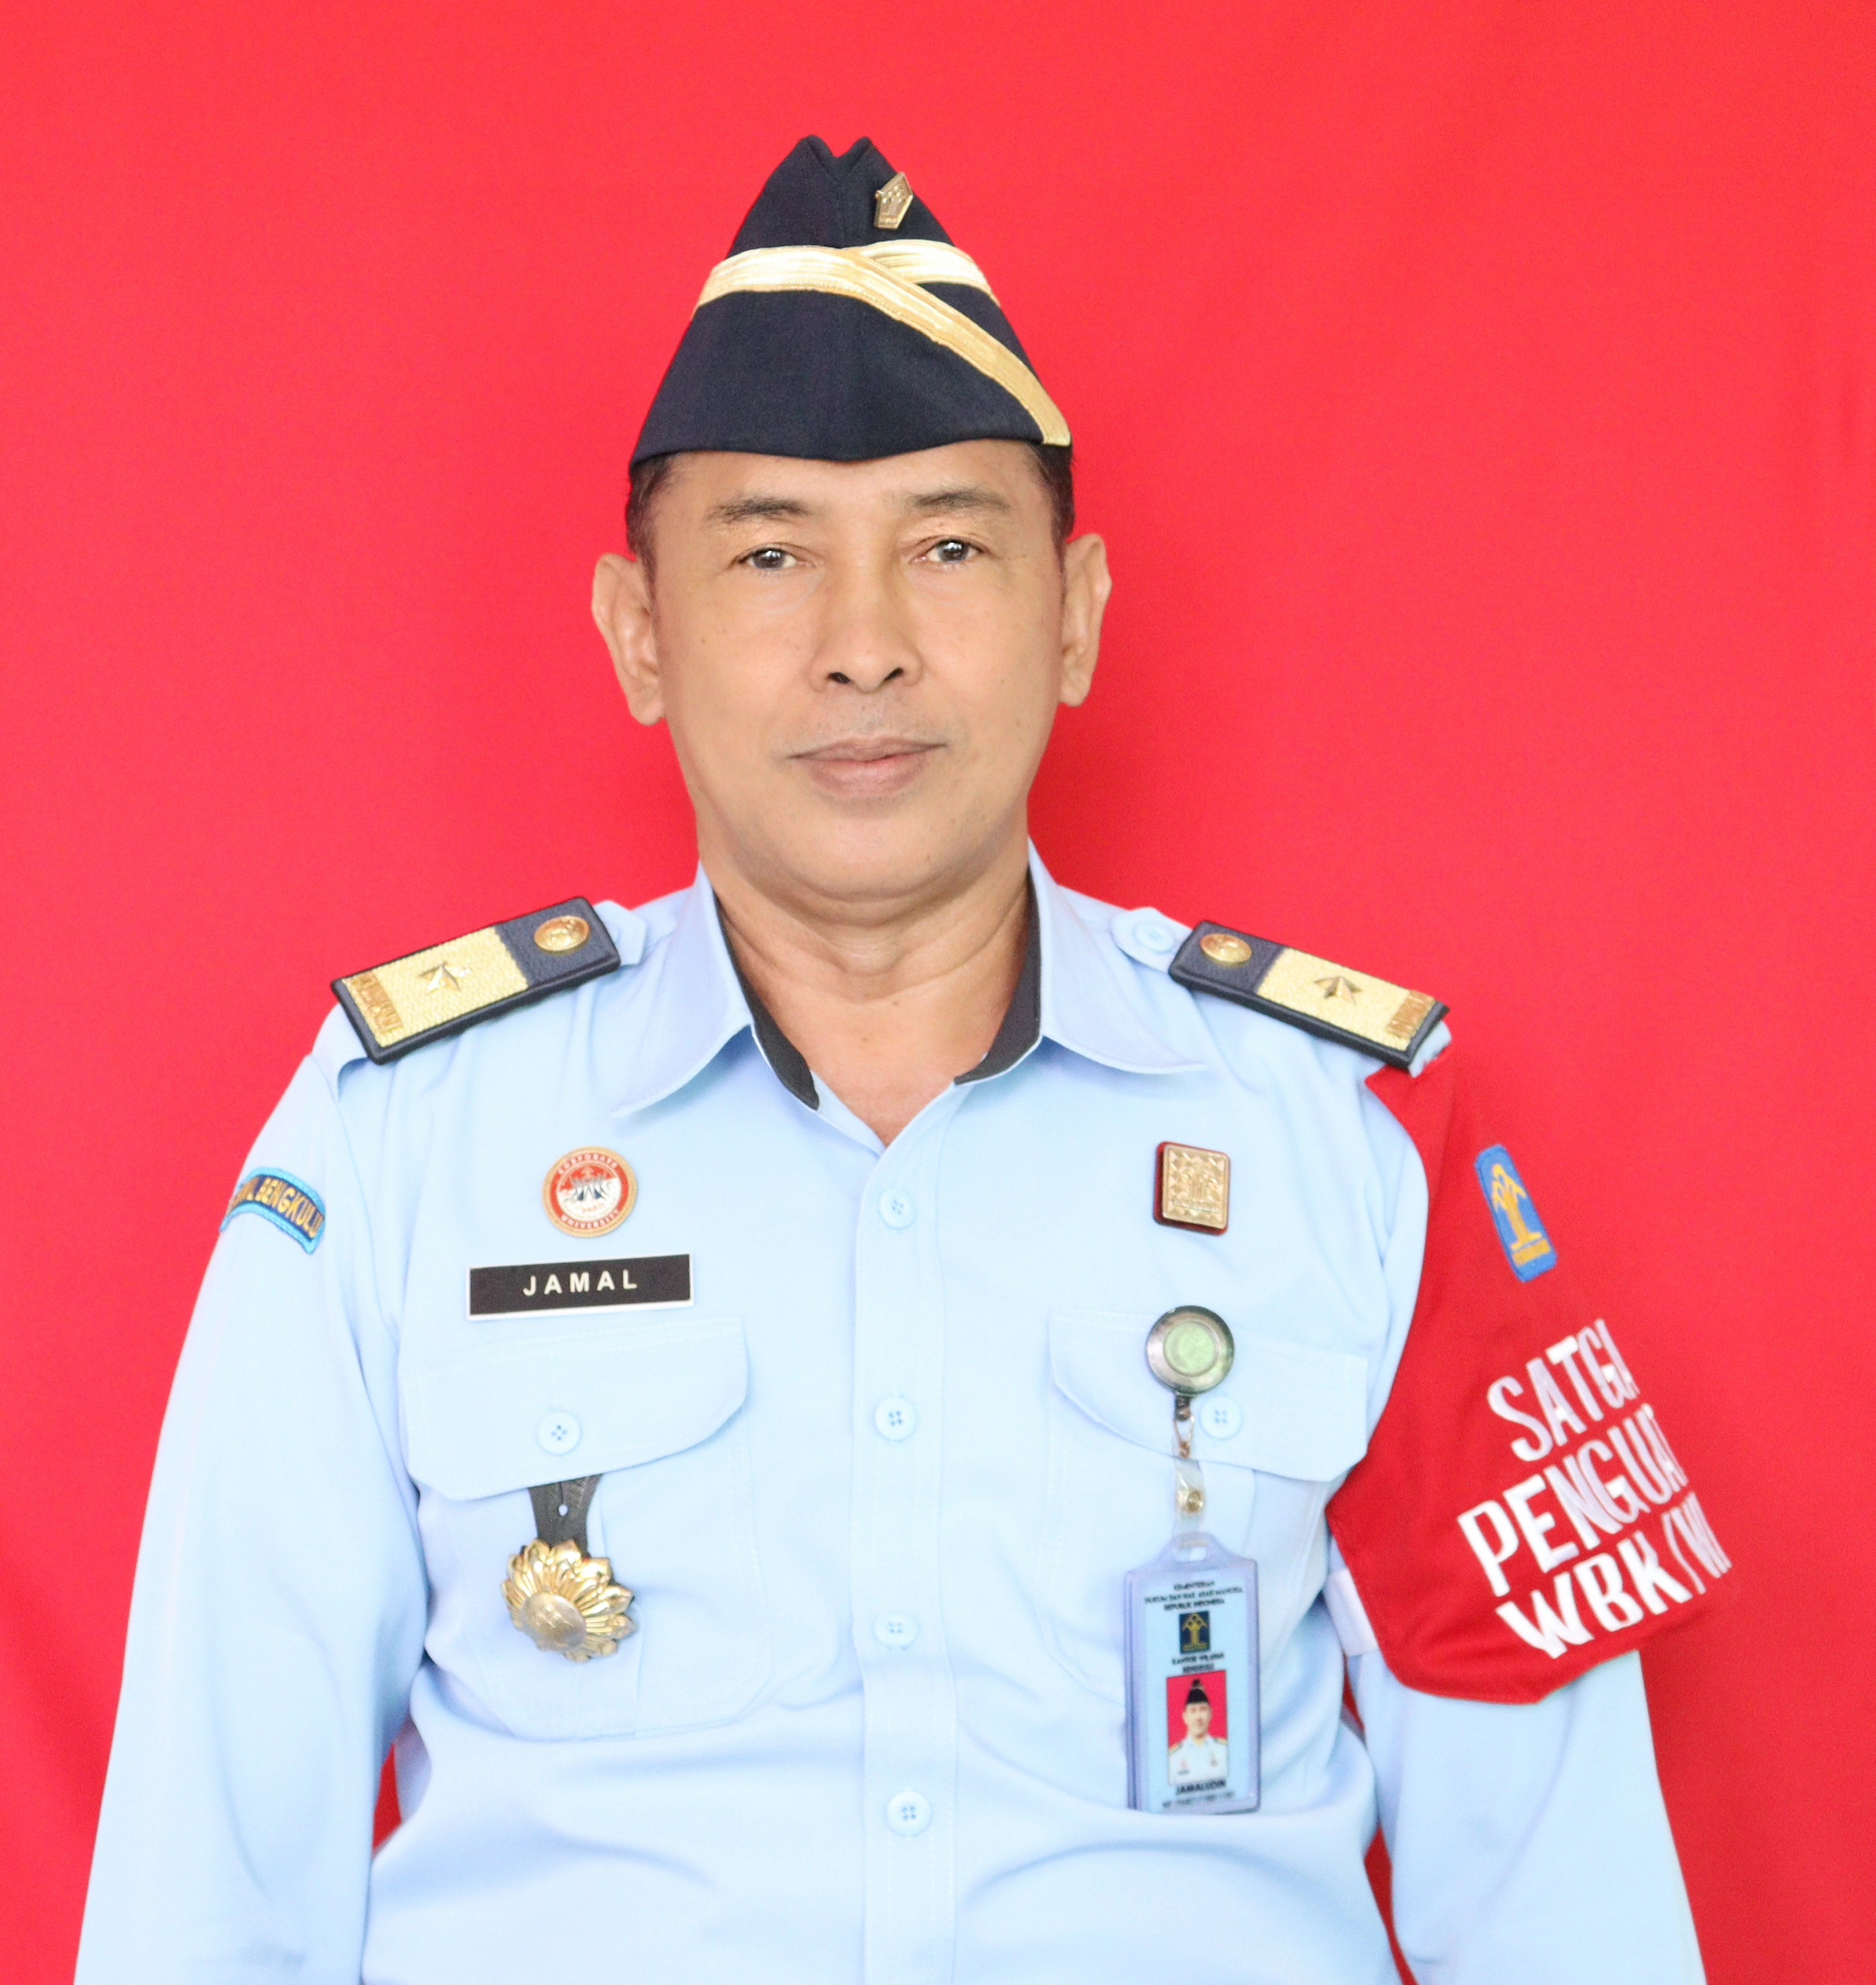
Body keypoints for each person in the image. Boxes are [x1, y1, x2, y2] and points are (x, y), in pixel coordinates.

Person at [78, 135, 1731, 1984]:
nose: (862, 647)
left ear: (1074, 613)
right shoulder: (399, 1133)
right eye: (769, 553)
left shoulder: (1352, 1135)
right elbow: (210, 1877)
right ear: (638, 634)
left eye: (946, 547)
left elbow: (1564, 1898)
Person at [1166, 1679, 1228, 1788]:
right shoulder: (1174, 1757)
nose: (1198, 1717)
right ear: (1185, 1717)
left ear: (1211, 1714)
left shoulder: (1225, 1750)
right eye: (1193, 1711)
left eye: (1203, 1710)